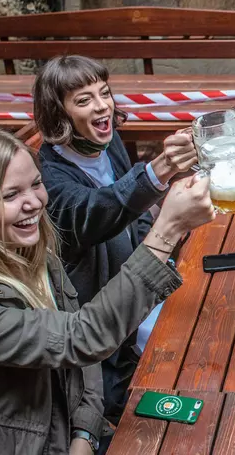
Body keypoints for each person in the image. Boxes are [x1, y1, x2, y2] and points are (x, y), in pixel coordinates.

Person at [0, 127, 215, 454]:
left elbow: (79, 345)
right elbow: (81, 338)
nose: (35, 203)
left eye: (36, 184)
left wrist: (85, 432)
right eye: (11, 195)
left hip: (59, 432)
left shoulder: (22, 244)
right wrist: (166, 232)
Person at [33, 55, 198, 423]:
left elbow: (133, 216)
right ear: (58, 113)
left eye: (104, 93)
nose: (102, 105)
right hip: (107, 338)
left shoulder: (106, 142)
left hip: (146, 286)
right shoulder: (51, 179)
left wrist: (168, 225)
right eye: (84, 99)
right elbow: (97, 211)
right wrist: (162, 168)